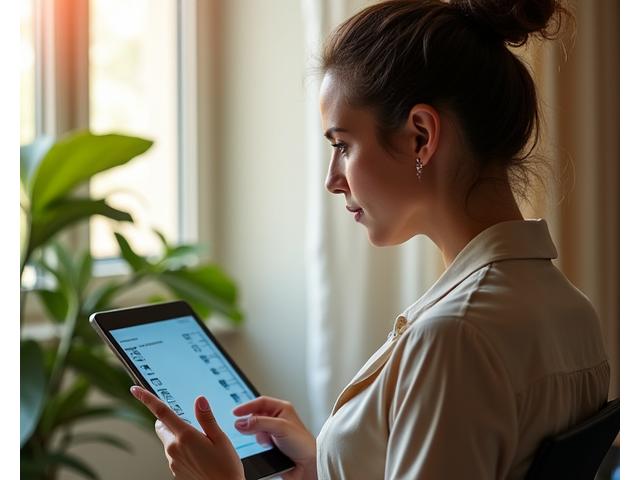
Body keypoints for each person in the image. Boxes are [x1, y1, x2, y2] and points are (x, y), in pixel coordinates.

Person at [131, 0, 610, 478]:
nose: (332, 179)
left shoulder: (454, 337)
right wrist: (329, 463)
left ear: (421, 136)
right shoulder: (573, 313)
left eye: (343, 145)